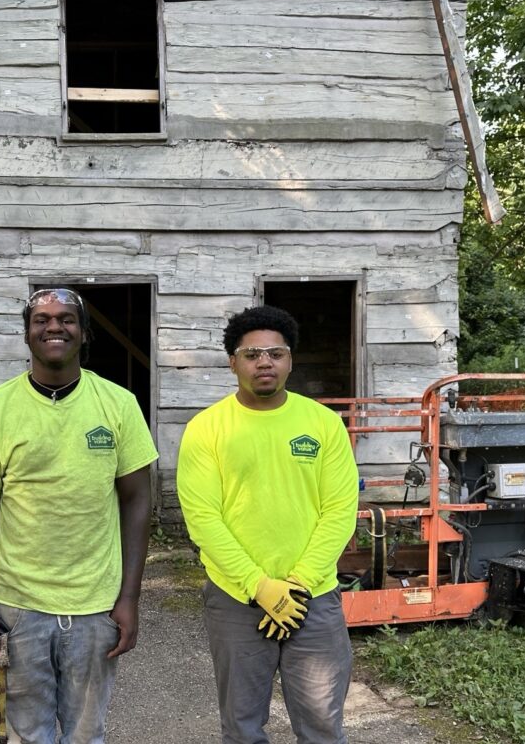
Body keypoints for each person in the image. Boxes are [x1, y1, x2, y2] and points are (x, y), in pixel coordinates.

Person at [0, 287, 157, 744]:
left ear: (83, 333)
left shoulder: (119, 405)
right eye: (41, 319)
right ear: (27, 334)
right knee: (29, 735)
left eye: (66, 319)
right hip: (18, 608)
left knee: (87, 734)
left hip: (96, 605)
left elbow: (137, 501)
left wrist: (129, 597)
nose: (54, 326)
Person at [177, 305, 359, 744]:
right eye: (252, 354)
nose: (265, 362)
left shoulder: (323, 424)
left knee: (322, 727)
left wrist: (295, 587)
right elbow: (204, 519)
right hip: (236, 602)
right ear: (233, 362)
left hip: (312, 599)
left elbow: (339, 509)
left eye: (276, 353)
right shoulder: (206, 429)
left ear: (290, 360)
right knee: (242, 728)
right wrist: (260, 586)